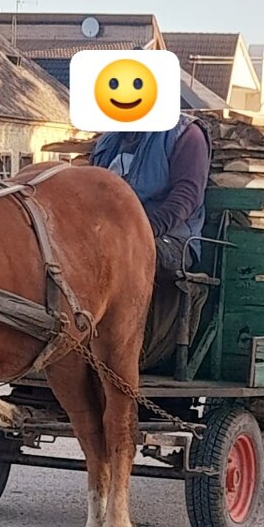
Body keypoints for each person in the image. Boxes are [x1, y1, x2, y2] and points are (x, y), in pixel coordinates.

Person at [90, 115, 212, 370]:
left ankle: (121, 351)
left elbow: (186, 198)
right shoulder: (108, 141)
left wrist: (140, 232)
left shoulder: (186, 135)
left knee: (116, 260)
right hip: (110, 237)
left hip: (173, 240)